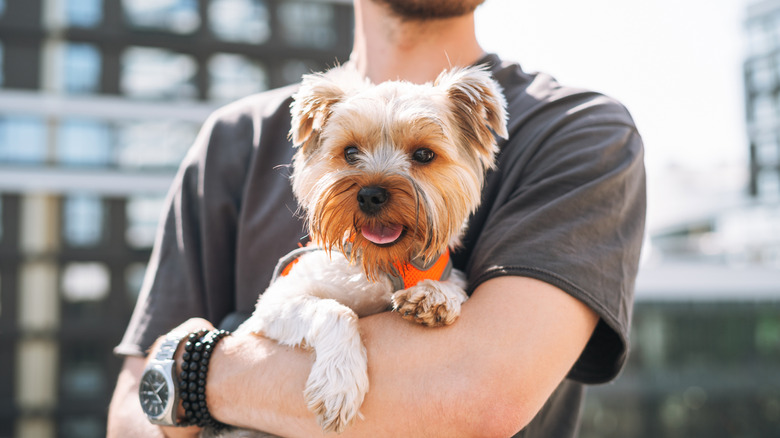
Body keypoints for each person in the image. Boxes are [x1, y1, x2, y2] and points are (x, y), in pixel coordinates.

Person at [107, 0, 646, 436]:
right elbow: (132, 414)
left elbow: (473, 398)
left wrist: (195, 373)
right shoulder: (233, 138)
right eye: (350, 154)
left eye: (423, 155)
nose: (376, 188)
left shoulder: (577, 132)